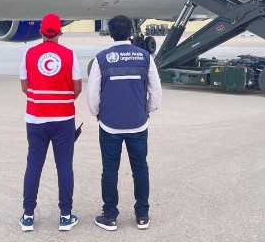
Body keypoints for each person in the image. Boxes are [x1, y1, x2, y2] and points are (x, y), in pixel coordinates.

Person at [87, 15, 162, 231]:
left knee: (110, 170)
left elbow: (93, 94)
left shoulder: (101, 58)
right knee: (140, 168)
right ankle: (142, 216)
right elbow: (155, 90)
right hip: (138, 124)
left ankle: (110, 216)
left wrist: (97, 113)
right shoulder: (145, 57)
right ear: (131, 32)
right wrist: (147, 110)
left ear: (110, 34)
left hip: (109, 125)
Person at [19, 13, 83, 232]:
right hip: (63, 119)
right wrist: (62, 99)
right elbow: (77, 88)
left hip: (36, 118)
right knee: (64, 166)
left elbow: (24, 86)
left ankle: (28, 216)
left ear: (41, 32)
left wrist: (41, 98)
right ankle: (65, 216)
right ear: (60, 32)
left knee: (34, 164)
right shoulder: (69, 55)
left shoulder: (29, 53)